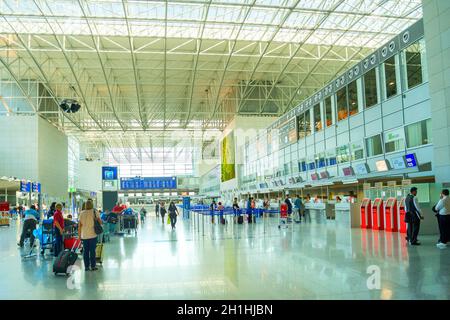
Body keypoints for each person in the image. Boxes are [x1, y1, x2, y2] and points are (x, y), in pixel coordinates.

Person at [78, 199, 102, 271]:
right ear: (92, 205)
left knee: (85, 251)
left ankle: (86, 267)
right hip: (93, 235)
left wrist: (79, 236)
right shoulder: (95, 212)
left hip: (84, 235)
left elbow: (80, 225)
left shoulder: (82, 213)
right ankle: (93, 266)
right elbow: (100, 222)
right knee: (92, 251)